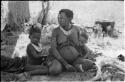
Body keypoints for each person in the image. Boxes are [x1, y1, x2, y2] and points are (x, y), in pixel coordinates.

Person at [48, 9, 96, 75]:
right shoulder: (56, 31)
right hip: (60, 60)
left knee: (90, 64)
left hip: (75, 60)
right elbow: (54, 49)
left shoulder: (77, 29)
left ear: (70, 19)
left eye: (62, 18)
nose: (59, 20)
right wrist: (65, 64)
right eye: (59, 18)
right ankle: (66, 67)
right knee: (54, 70)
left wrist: (84, 56)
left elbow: (81, 44)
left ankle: (73, 66)